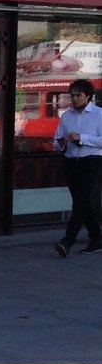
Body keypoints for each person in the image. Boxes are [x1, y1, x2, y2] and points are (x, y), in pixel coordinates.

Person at [52, 78, 102, 257]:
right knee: (83, 201)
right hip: (71, 162)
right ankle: (96, 238)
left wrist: (82, 138)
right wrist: (61, 144)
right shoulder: (67, 116)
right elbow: (56, 141)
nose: (74, 99)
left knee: (80, 202)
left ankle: (67, 241)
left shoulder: (99, 114)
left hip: (91, 161)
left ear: (87, 96)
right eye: (72, 95)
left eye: (78, 95)